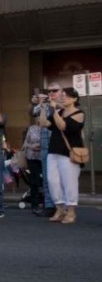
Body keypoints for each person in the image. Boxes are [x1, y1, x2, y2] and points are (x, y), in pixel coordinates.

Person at [39, 87, 85, 224]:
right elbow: (43, 123)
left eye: (67, 96)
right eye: (62, 96)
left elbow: (62, 126)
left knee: (69, 183)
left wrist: (54, 111)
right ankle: (59, 208)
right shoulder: (58, 112)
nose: (63, 98)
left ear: (75, 99)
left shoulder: (79, 113)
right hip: (53, 151)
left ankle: (71, 211)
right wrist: (42, 108)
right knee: (52, 181)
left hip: (69, 152)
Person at [30, 83, 63, 217]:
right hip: (45, 144)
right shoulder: (44, 103)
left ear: (61, 92)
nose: (51, 93)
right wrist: (37, 102)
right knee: (47, 177)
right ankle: (49, 205)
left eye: (54, 90)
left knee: (62, 177)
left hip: (60, 144)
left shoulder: (65, 102)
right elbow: (33, 112)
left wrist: (53, 103)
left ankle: (63, 205)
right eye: (49, 91)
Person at [22, 117, 43, 214]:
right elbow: (25, 143)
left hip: (45, 158)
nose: (39, 119)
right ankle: (35, 204)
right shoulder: (32, 128)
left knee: (46, 181)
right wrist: (32, 146)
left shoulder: (49, 128)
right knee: (34, 181)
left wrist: (41, 146)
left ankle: (48, 203)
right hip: (32, 157)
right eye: (38, 117)